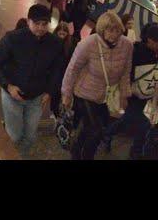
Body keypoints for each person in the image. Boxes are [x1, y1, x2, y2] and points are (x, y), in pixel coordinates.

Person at [0, 4, 63, 156]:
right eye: (37, 23)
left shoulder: (54, 43)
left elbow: (57, 70)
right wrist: (8, 86)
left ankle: (19, 157)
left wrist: (50, 92)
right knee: (15, 135)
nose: (41, 28)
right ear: (28, 21)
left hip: (36, 98)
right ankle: (5, 155)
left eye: (44, 24)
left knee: (30, 137)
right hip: (12, 97)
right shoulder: (12, 39)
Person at [61, 11, 133, 160]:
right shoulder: (88, 44)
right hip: (85, 93)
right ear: (102, 30)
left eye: (118, 30)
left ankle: (76, 149)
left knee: (91, 128)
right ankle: (85, 156)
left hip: (108, 95)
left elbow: (126, 71)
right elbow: (72, 69)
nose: (115, 34)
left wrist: (125, 95)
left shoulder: (127, 45)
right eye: (110, 30)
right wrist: (66, 94)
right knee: (96, 130)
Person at [103, 22, 158, 159]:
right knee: (143, 124)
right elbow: (125, 72)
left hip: (145, 93)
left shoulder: (155, 53)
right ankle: (136, 152)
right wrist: (124, 92)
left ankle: (108, 134)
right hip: (131, 93)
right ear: (150, 40)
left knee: (128, 120)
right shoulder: (135, 51)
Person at [49, 22, 78, 119]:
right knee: (56, 93)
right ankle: (54, 111)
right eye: (60, 34)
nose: (61, 36)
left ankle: (60, 111)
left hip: (65, 72)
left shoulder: (70, 44)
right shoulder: (52, 42)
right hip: (56, 73)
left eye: (64, 34)